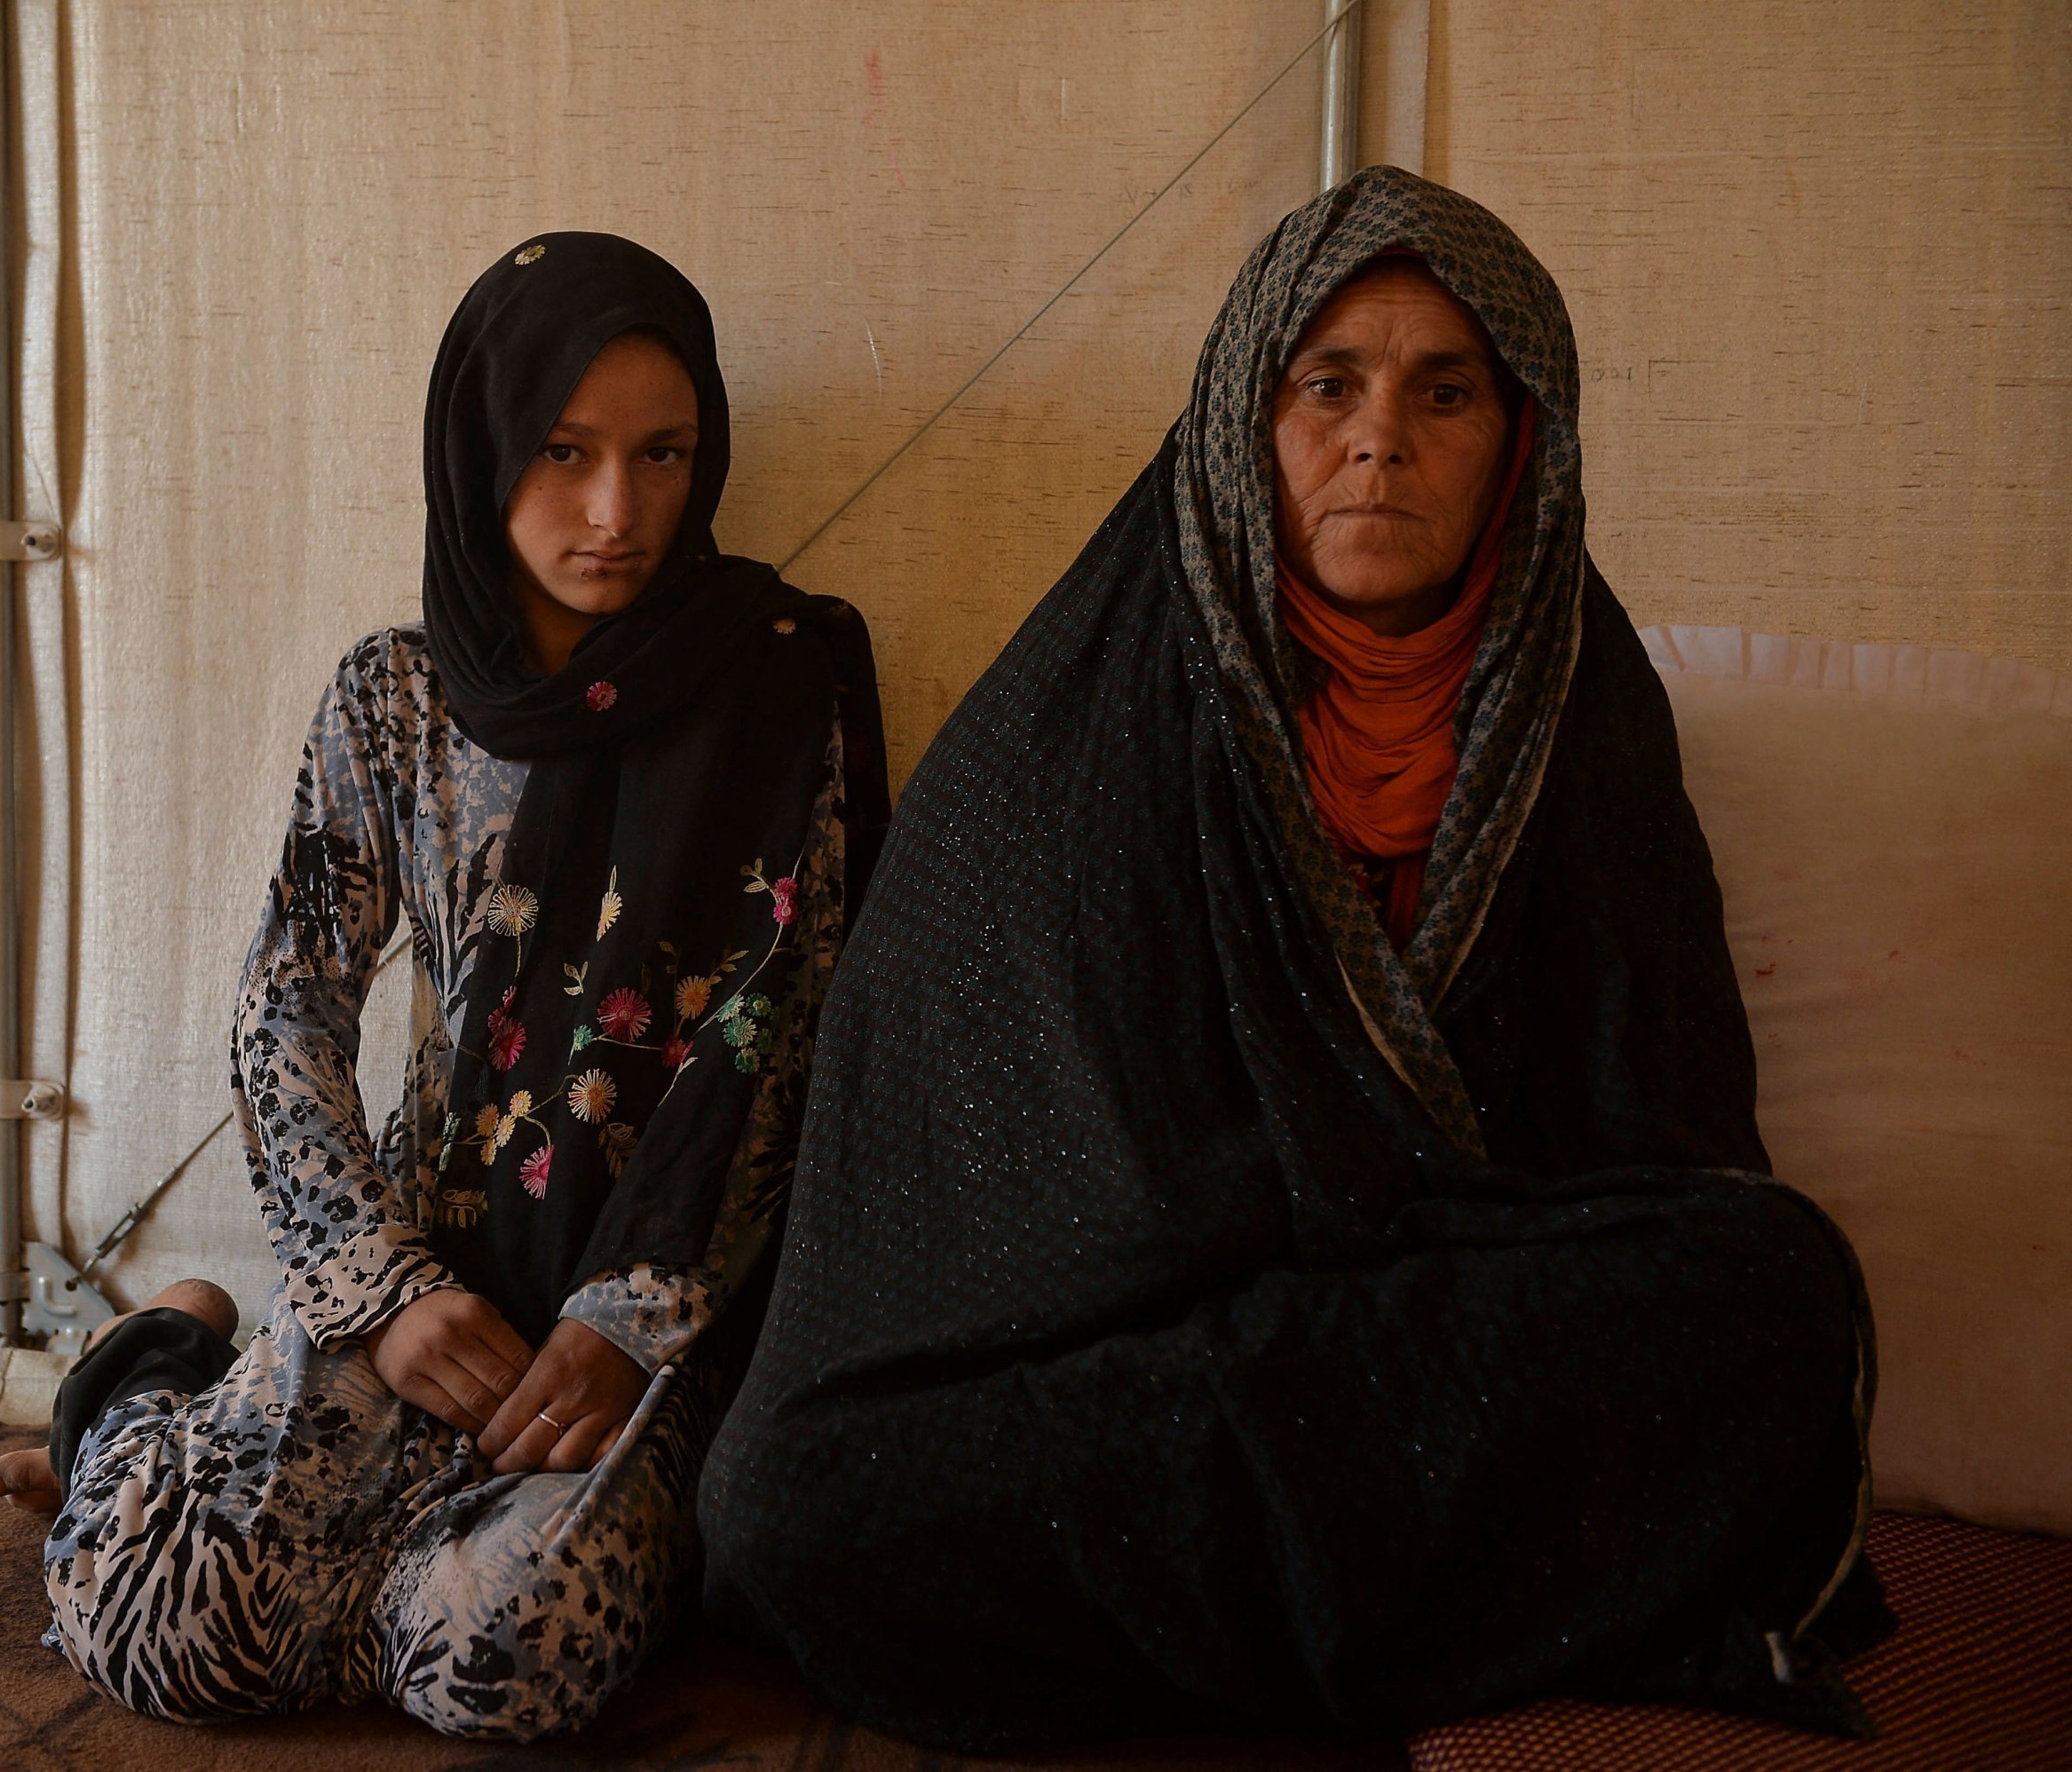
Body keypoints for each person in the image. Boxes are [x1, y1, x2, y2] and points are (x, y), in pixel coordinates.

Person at [697, 167, 1886, 1752]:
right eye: (1326, 383)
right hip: (1161, 1363)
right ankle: (1433, 1633)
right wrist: (1289, 1253)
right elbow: (961, 1222)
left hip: (1406, 1348)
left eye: (1443, 392)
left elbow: (1648, 1147)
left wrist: (1395, 1274)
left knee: (1777, 1293)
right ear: (1243, 428)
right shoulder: (1072, 723)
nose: (1378, 437)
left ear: (1524, 437)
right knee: (794, 1509)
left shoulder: (1578, 704)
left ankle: (1241, 1647)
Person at [0, 232, 887, 1739]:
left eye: (664, 454)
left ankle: (344, 1504)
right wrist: (376, 1288)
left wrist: (631, 1318)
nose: (619, 512)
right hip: (419, 1254)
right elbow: (291, 1005)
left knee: (502, 1655)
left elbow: (787, 1031)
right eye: (564, 451)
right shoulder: (393, 698)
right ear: (478, 447)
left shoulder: (776, 683)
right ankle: (154, 1369)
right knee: (162, 1625)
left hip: (658, 1289)